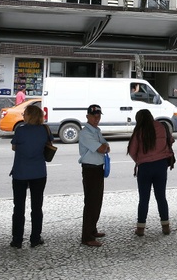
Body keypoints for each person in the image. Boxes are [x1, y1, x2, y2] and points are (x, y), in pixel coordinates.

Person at [127, 109, 175, 237]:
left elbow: (132, 150)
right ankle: (165, 226)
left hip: (145, 168)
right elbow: (170, 141)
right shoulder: (161, 126)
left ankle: (141, 228)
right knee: (161, 197)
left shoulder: (139, 130)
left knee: (143, 199)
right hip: (161, 166)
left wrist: (140, 159)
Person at [10, 104, 50, 249]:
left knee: (19, 207)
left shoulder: (20, 131)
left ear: (30, 116)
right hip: (39, 172)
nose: (23, 116)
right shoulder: (44, 130)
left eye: (25, 113)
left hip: (20, 172)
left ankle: (17, 240)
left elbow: (14, 147)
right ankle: (35, 238)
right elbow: (48, 145)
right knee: (37, 206)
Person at [78, 104, 110, 247]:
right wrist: (103, 147)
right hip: (90, 169)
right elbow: (102, 148)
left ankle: (93, 229)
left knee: (97, 201)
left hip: (97, 168)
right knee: (91, 203)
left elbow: (106, 146)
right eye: (94, 116)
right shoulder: (85, 133)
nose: (96, 119)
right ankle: (87, 236)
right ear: (87, 117)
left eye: (98, 116)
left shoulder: (96, 131)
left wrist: (104, 147)